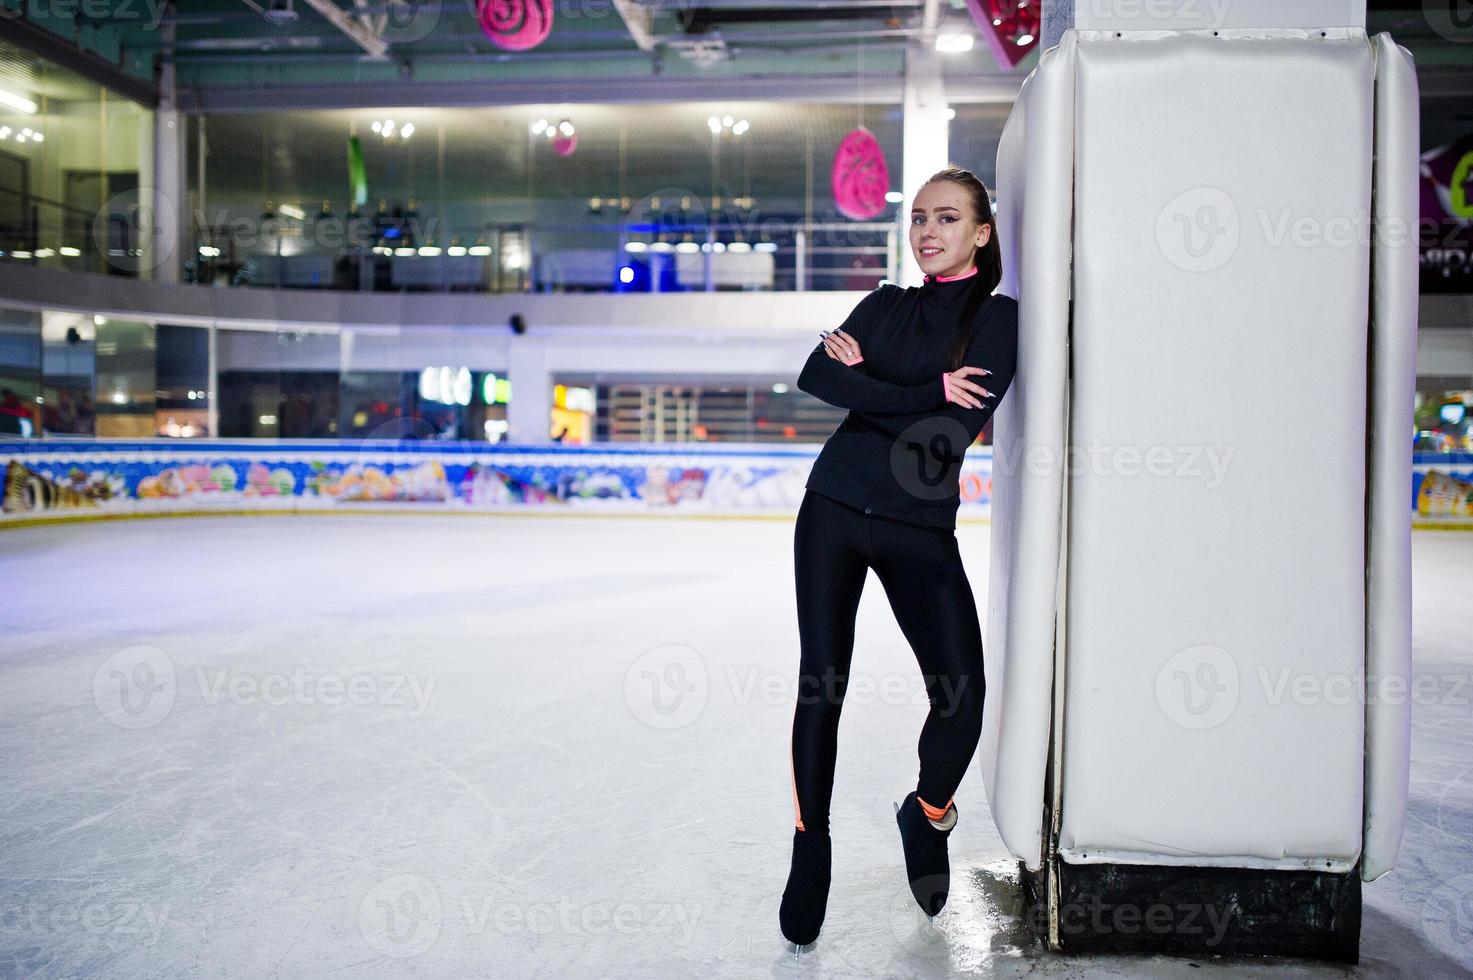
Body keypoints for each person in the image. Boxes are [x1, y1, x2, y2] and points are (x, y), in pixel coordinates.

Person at [779, 165, 1019, 949]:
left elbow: (950, 426)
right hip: (832, 511)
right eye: (918, 217)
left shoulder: (999, 321)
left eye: (946, 219)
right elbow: (817, 375)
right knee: (823, 682)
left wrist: (870, 381)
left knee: (963, 693)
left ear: (980, 234)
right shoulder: (884, 302)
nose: (926, 231)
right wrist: (921, 389)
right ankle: (809, 846)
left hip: (919, 525)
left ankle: (927, 813)